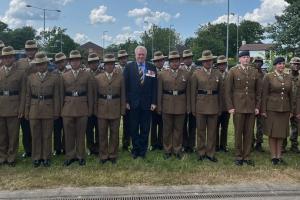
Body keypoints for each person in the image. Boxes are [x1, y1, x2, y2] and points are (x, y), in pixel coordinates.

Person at [225, 51, 261, 166]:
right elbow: (228, 91)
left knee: (249, 133)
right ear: (239, 59)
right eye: (244, 57)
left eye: (247, 57)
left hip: (250, 107)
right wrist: (230, 107)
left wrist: (257, 106)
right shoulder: (233, 71)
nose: (246, 59)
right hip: (238, 106)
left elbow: (258, 92)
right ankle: (238, 156)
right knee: (238, 132)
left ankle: (247, 156)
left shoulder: (254, 72)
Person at [25, 52, 60, 167]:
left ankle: (46, 157)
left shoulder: (54, 78)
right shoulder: (31, 78)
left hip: (48, 109)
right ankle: (36, 157)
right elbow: (27, 96)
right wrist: (27, 110)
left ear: (46, 64)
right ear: (35, 65)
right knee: (35, 134)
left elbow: (56, 96)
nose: (41, 66)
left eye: (43, 64)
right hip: (34, 109)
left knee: (47, 134)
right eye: (38, 64)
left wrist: (56, 111)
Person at [124, 46, 157, 159]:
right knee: (133, 128)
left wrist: (153, 102)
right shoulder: (129, 67)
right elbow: (125, 86)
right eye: (139, 54)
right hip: (133, 104)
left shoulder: (151, 67)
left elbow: (154, 86)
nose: (141, 56)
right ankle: (135, 149)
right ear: (135, 55)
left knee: (145, 128)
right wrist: (126, 101)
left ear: (146, 55)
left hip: (147, 104)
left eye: (143, 54)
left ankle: (143, 151)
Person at [61, 50, 93, 166]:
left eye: (77, 60)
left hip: (82, 106)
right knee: (68, 134)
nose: (75, 62)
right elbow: (61, 94)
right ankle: (70, 156)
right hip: (68, 107)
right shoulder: (64, 75)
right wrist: (61, 109)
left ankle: (80, 156)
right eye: (72, 60)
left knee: (81, 133)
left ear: (80, 61)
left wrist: (90, 109)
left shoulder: (87, 75)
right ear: (70, 62)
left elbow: (90, 93)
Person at [157, 51, 190, 160]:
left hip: (181, 104)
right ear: (169, 62)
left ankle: (177, 150)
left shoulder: (185, 73)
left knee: (178, 129)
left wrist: (188, 107)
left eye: (176, 61)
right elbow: (159, 92)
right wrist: (159, 107)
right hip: (167, 104)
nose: (175, 63)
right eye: (172, 61)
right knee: (167, 129)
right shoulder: (162, 74)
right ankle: (167, 150)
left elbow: (188, 92)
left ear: (180, 61)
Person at [94, 53, 125, 164]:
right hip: (101, 108)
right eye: (107, 64)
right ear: (104, 65)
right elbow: (94, 96)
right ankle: (103, 155)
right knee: (102, 133)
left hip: (115, 107)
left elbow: (123, 95)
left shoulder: (120, 78)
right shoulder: (97, 78)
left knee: (114, 133)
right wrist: (95, 109)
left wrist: (122, 109)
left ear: (114, 65)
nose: (109, 66)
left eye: (112, 64)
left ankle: (113, 154)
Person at [191, 50, 222, 162]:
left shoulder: (217, 73)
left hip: (214, 105)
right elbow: (193, 92)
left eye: (210, 60)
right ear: (202, 62)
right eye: (206, 61)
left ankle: (210, 153)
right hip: (200, 105)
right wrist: (193, 108)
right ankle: (201, 152)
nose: (208, 62)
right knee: (200, 131)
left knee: (212, 131)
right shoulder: (196, 74)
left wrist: (220, 107)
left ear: (212, 61)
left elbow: (221, 93)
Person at [262, 57, 292, 165]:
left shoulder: (288, 77)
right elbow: (264, 94)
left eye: (283, 64)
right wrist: (263, 109)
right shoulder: (268, 76)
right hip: (271, 108)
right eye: (279, 64)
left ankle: (279, 156)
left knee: (281, 133)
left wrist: (291, 110)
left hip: (285, 108)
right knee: (272, 132)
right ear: (275, 65)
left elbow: (291, 95)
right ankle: (273, 156)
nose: (281, 66)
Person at [0, 46, 26, 167]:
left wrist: (21, 109)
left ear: (13, 58)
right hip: (1, 106)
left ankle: (11, 157)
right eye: (4, 57)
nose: (7, 59)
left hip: (14, 106)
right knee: (2, 134)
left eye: (9, 57)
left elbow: (23, 92)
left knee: (13, 134)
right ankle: (2, 156)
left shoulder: (20, 73)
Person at [17, 40, 39, 158]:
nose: (30, 52)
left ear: (36, 50)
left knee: (35, 126)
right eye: (28, 50)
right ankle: (28, 149)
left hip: (36, 97)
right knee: (25, 127)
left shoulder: (41, 61)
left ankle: (36, 150)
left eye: (32, 49)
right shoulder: (19, 63)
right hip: (22, 96)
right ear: (25, 51)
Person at [181, 49, 197, 153]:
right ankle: (184, 144)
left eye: (189, 58)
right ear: (183, 59)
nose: (188, 60)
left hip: (195, 101)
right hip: (182, 102)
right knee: (182, 125)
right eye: (186, 58)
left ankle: (191, 145)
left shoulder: (197, 70)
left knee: (193, 125)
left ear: (192, 58)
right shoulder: (180, 70)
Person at [86, 53, 102, 155]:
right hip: (87, 105)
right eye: (91, 62)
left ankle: (99, 146)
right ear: (88, 64)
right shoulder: (85, 74)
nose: (93, 64)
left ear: (98, 62)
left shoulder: (103, 73)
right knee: (89, 128)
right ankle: (90, 147)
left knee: (99, 127)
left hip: (100, 105)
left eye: (95, 62)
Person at [283, 57, 300, 153]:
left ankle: (294, 145)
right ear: (290, 64)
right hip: (286, 104)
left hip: (296, 105)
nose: (296, 65)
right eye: (294, 63)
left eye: (298, 64)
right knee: (284, 125)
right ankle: (282, 146)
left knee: (295, 126)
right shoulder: (286, 76)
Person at [53, 52, 68, 156]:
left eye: (62, 61)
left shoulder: (70, 73)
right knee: (56, 128)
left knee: (67, 128)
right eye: (58, 62)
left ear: (65, 62)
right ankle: (57, 148)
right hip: (55, 105)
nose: (60, 64)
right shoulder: (52, 74)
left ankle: (66, 147)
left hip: (68, 104)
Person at [150, 51, 166, 151]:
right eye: (157, 61)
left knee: (162, 124)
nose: (159, 62)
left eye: (161, 60)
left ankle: (161, 143)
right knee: (153, 124)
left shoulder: (166, 71)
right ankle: (153, 143)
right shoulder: (150, 72)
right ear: (154, 62)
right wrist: (152, 102)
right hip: (152, 101)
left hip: (164, 101)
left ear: (164, 61)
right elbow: (149, 87)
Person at [117, 50, 131, 151]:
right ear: (119, 60)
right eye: (121, 58)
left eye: (124, 58)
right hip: (116, 100)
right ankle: (115, 144)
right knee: (115, 124)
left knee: (127, 124)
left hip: (128, 100)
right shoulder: (115, 70)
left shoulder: (131, 69)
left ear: (127, 58)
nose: (123, 60)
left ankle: (126, 144)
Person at [215, 55, 230, 153]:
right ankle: (215, 145)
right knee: (215, 127)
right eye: (220, 64)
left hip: (226, 106)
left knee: (225, 127)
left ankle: (223, 145)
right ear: (217, 65)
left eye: (223, 64)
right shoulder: (214, 74)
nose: (222, 66)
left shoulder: (229, 74)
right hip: (216, 105)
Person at [252, 56, 266, 152]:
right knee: (250, 124)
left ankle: (259, 143)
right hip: (251, 102)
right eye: (256, 62)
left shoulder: (265, 75)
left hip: (261, 102)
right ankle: (250, 142)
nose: (258, 63)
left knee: (260, 125)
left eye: (260, 62)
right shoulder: (251, 73)